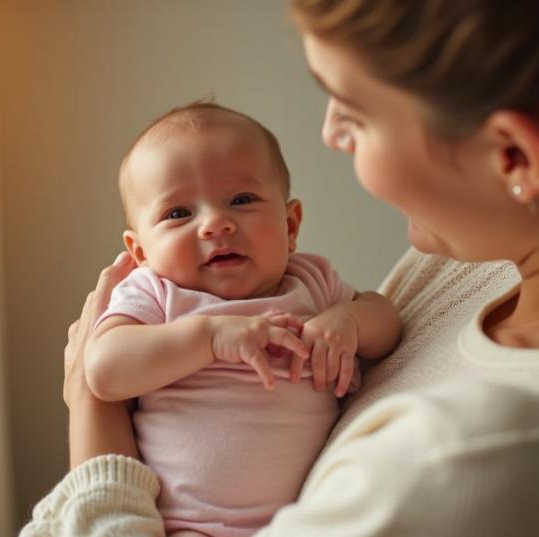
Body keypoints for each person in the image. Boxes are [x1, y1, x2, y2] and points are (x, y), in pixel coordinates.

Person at [22, 1, 539, 535]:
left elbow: (373, 323)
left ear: (513, 158)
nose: (328, 135)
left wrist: (92, 422)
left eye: (353, 110)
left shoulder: (450, 471)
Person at [83, 102, 401, 537]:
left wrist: (351, 320)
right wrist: (208, 336)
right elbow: (103, 370)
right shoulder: (156, 295)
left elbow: (388, 321)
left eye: (242, 200)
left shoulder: (310, 282)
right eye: (178, 213)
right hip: (185, 525)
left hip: (309, 520)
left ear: (290, 225)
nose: (216, 224)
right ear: (140, 253)